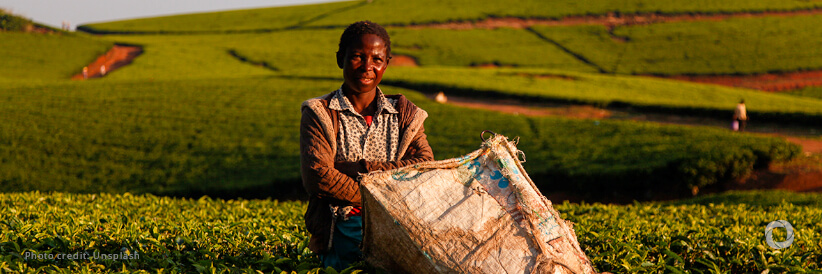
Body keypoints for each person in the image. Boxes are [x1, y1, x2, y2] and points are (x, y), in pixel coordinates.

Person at [299, 21, 434, 270]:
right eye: (358, 57)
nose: (367, 67)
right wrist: (381, 196)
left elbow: (424, 168)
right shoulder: (320, 112)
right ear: (341, 59)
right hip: (339, 233)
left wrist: (360, 167)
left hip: (399, 231)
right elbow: (318, 177)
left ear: (386, 63)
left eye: (377, 59)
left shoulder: (405, 114)